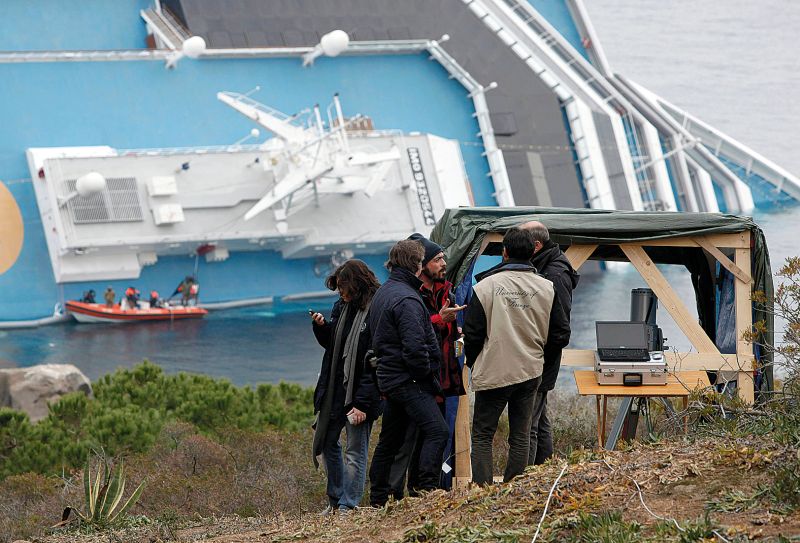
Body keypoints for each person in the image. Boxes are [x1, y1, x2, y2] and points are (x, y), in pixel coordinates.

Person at [463, 227, 569, 485]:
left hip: (493, 370)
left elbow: (473, 334)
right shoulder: (547, 287)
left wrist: (475, 359)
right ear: (533, 251)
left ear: (505, 252)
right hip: (530, 370)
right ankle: (514, 488)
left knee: (482, 435)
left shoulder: (485, 287)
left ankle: (483, 490)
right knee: (521, 436)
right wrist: (539, 355)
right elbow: (561, 333)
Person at [367, 240, 449, 507]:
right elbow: (415, 348)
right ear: (417, 264)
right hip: (409, 380)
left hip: (390, 379)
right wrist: (427, 378)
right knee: (438, 431)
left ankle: (378, 497)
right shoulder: (408, 298)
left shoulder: (385, 292)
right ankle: (427, 490)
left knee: (390, 439)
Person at [388, 234, 466, 498]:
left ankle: (427, 488)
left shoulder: (448, 291)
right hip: (418, 379)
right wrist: (438, 319)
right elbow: (410, 334)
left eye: (443, 257)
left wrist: (457, 332)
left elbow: (445, 332)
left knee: (434, 434)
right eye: (437, 259)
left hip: (442, 377)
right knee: (414, 436)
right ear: (422, 266)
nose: (443, 263)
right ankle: (413, 490)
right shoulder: (411, 295)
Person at [311, 259, 382, 514]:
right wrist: (321, 328)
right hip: (336, 390)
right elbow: (334, 345)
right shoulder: (341, 306)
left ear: (357, 284)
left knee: (355, 449)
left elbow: (375, 360)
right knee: (328, 441)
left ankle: (347, 504)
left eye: (343, 286)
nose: (340, 292)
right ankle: (335, 498)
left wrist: (363, 402)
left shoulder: (375, 310)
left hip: (358, 393)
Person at [520, 221, 579, 466]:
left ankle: (528, 478)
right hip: (538, 358)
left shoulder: (555, 274)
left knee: (528, 424)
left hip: (540, 361)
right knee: (539, 418)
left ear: (536, 245)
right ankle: (546, 469)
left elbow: (561, 329)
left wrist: (537, 353)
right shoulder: (544, 266)